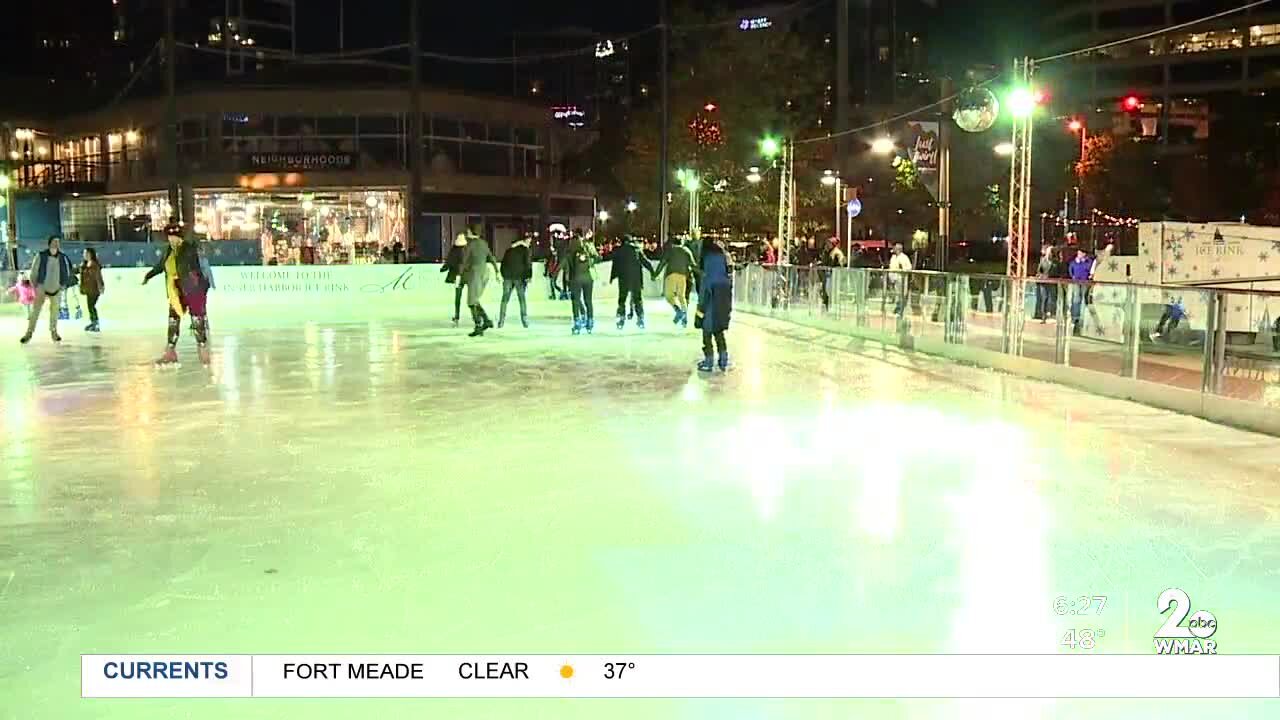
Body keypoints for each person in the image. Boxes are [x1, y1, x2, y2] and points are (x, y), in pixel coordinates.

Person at [143, 225, 214, 365]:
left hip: (191, 289)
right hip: (175, 291)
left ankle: (203, 350)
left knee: (197, 320)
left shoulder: (189, 249)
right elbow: (160, 266)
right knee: (173, 321)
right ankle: (170, 352)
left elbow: (198, 267)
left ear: (179, 237)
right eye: (169, 237)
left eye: (173, 237)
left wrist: (202, 286)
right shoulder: (169, 250)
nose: (171, 240)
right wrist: (149, 275)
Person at [20, 236, 75, 344]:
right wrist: (35, 286)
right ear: (49, 243)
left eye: (58, 242)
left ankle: (54, 332)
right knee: (35, 312)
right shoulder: (41, 256)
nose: (57, 244)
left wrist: (62, 285)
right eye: (54, 241)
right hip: (42, 287)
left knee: (54, 312)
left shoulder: (62, 257)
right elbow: (34, 271)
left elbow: (66, 272)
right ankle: (29, 333)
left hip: (56, 288)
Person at [695, 237, 734, 372]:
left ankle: (709, 360)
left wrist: (698, 315)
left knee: (707, 330)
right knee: (718, 330)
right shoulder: (721, 256)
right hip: (724, 291)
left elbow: (704, 295)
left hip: (712, 293)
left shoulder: (707, 260)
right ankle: (723, 359)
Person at [459, 224, 500, 337]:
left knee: (471, 302)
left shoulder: (470, 245)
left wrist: (459, 275)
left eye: (467, 231)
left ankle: (479, 325)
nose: (466, 233)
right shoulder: (483, 243)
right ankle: (486, 321)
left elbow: (464, 261)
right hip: (484, 272)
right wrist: (497, 271)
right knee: (475, 300)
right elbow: (491, 257)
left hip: (475, 274)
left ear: (471, 232)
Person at [609, 235, 654, 330]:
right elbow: (645, 262)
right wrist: (652, 272)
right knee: (637, 299)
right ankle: (640, 319)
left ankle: (621, 319)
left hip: (623, 279)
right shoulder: (637, 250)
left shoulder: (619, 251)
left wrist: (612, 277)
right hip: (636, 279)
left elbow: (615, 265)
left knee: (622, 299)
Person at [652, 237, 697, 327]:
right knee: (682, 296)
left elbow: (663, 262)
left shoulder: (670, 250)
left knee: (669, 296)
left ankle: (678, 311)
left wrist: (655, 274)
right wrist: (701, 274)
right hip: (683, 276)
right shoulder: (686, 250)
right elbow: (693, 265)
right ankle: (684, 316)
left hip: (671, 275)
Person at [563, 232, 599, 335]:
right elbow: (598, 258)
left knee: (576, 301)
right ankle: (590, 321)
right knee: (588, 301)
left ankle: (577, 322)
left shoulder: (569, 252)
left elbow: (563, 264)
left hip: (576, 280)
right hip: (588, 279)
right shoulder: (586, 250)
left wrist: (553, 274)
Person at [498, 233, 533, 329]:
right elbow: (528, 264)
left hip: (508, 277)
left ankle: (501, 321)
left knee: (505, 299)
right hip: (519, 278)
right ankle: (524, 320)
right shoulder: (525, 250)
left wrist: (504, 274)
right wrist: (528, 276)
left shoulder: (509, 250)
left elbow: (503, 264)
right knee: (522, 299)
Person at [440, 232, 468, 326]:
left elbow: (449, 261)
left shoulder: (454, 250)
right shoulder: (468, 249)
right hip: (468, 276)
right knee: (473, 296)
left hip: (458, 276)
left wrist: (443, 268)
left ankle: (457, 316)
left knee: (458, 297)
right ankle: (478, 315)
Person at [1068, 248, 1094, 336]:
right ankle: (1075, 318)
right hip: (1076, 282)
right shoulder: (1074, 262)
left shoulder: (1088, 262)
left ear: (1084, 254)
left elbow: (1090, 270)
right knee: (1076, 299)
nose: (1078, 254)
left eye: (1080, 253)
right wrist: (1073, 276)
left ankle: (1084, 318)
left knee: (1084, 299)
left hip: (1085, 282)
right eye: (1078, 253)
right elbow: (1071, 268)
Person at [79, 248, 105, 332]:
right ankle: (93, 322)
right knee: (90, 306)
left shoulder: (94, 265)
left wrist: (101, 286)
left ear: (90, 254)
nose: (84, 255)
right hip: (88, 289)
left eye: (86, 253)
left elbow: (98, 276)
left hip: (94, 289)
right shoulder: (84, 264)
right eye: (84, 254)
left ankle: (95, 322)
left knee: (91, 306)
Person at [888, 242, 912, 316]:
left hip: (901, 278)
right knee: (897, 294)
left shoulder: (904, 257)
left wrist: (902, 268)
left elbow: (909, 268)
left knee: (902, 295)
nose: (893, 249)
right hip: (894, 278)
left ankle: (900, 310)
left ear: (898, 249)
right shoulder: (893, 257)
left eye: (895, 248)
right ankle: (897, 308)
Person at [1034, 244, 1055, 322]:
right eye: (1049, 251)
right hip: (1044, 281)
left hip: (1053, 282)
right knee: (1044, 298)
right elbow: (1039, 270)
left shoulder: (1055, 261)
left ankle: (1052, 313)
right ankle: (1043, 315)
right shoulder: (1043, 260)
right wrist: (1040, 276)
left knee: (1052, 298)